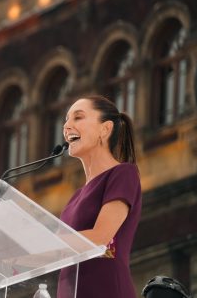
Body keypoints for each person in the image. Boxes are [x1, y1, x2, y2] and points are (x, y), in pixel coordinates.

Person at [57, 95, 142, 298]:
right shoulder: (73, 199)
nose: (66, 126)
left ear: (105, 129)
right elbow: (60, 253)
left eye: (78, 117)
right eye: (66, 120)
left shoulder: (122, 174)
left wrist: (43, 242)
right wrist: (13, 258)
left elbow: (101, 237)